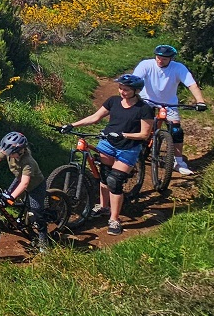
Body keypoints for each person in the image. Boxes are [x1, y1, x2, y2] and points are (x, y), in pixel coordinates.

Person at [60, 74, 154, 236]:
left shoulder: (144, 109)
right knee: (104, 176)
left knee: (114, 181)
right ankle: (104, 207)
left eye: (126, 89)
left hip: (128, 148)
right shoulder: (113, 101)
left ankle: (115, 219)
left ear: (136, 91)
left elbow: (144, 134)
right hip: (108, 144)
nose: (122, 92)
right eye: (121, 88)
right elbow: (95, 118)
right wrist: (71, 125)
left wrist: (124, 135)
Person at [133, 44, 209, 175]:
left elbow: (192, 85)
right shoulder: (146, 65)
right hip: (147, 100)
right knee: (138, 125)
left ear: (171, 59)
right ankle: (131, 151)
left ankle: (178, 162)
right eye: (158, 57)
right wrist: (133, 94)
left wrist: (200, 101)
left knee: (176, 131)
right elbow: (135, 80)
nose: (160, 61)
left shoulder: (178, 68)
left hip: (170, 103)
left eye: (164, 59)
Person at [0, 131, 50, 252]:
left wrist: (11, 197)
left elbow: (25, 183)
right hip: (19, 180)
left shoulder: (27, 162)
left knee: (36, 215)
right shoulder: (10, 152)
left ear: (19, 151)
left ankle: (44, 241)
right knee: (2, 198)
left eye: (8, 153)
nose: (5, 154)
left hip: (35, 187)